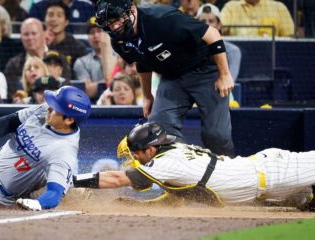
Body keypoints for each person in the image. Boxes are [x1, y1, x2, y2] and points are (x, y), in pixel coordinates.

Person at [94, 0, 235, 156]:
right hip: (172, 77)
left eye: (117, 19)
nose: (114, 26)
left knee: (216, 135)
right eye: (108, 23)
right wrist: (147, 96)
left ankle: (227, 174)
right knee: (158, 131)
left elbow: (213, 34)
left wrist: (224, 74)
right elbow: (142, 61)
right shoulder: (119, 40)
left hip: (205, 71)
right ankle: (183, 169)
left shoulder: (162, 18)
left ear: (132, 9)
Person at [73, 122, 315, 210]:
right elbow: (177, 197)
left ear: (150, 149)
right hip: (270, 188)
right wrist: (143, 205)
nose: (134, 159)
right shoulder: (170, 154)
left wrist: (72, 179)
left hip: (273, 174)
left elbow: (116, 179)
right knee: (307, 205)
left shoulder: (166, 161)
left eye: (136, 154)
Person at [44, 0, 87, 72]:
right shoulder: (37, 43)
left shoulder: (77, 47)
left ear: (66, 22)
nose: (54, 19)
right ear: (45, 20)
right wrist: (44, 45)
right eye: (50, 15)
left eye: (59, 15)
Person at [220, 0, 294, 37]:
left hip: (271, 58)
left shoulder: (279, 8)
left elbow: (290, 38)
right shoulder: (231, 7)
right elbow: (219, 27)